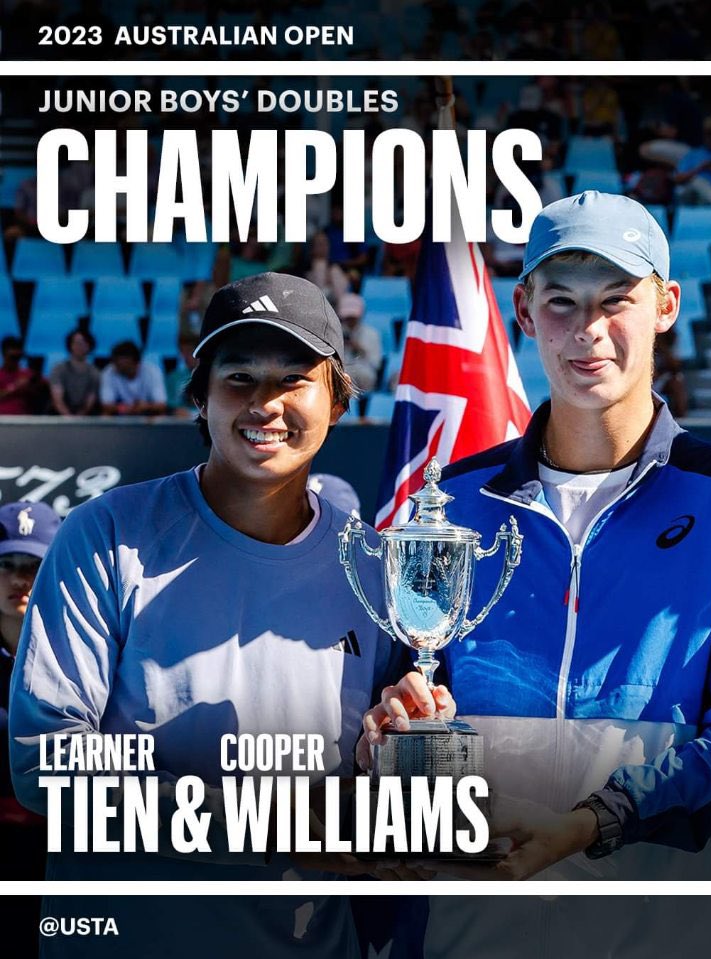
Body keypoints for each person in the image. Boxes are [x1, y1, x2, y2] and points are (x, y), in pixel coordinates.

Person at [361, 192, 711, 957]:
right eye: (560, 302)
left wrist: (592, 819)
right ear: (522, 309)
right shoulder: (446, 506)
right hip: (475, 929)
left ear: (666, 305)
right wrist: (391, 724)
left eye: (617, 300)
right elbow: (399, 706)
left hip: (677, 931)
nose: (587, 331)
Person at [9, 273, 440, 959]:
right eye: (239, 377)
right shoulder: (103, 535)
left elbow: (379, 782)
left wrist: (393, 749)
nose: (264, 404)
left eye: (293, 378)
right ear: (201, 397)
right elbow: (45, 768)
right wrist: (265, 818)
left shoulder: (376, 567)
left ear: (336, 399)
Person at [0, 501, 61, 879]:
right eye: (6, 564)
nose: (20, 578)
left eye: (34, 564)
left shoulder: (91, 652)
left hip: (64, 852)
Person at [99, 339, 167, 416]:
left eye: (122, 364)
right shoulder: (109, 371)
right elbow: (106, 405)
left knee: (161, 415)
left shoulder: (153, 372)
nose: (116, 366)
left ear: (135, 363)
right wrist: (123, 408)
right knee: (105, 415)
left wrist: (146, 406)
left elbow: (161, 405)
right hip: (120, 413)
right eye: (116, 362)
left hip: (147, 413)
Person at [338, 292, 382, 395]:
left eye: (353, 316)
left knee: (364, 375)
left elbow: (376, 363)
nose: (350, 320)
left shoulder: (372, 334)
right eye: (347, 316)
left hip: (364, 372)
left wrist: (360, 349)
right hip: (344, 370)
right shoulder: (336, 332)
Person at [49, 328, 100, 416]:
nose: (80, 346)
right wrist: (69, 418)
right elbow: (58, 400)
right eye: (77, 343)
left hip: (84, 417)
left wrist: (79, 418)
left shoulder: (94, 372)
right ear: (70, 345)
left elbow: (90, 400)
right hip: (59, 416)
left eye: (84, 343)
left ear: (90, 346)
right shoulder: (59, 369)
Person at [0, 335, 45, 416]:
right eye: (12, 357)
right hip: (2, 419)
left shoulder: (27, 374)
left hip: (25, 419)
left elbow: (44, 388)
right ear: (4, 355)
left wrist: (34, 380)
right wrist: (15, 386)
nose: (15, 361)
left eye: (18, 357)